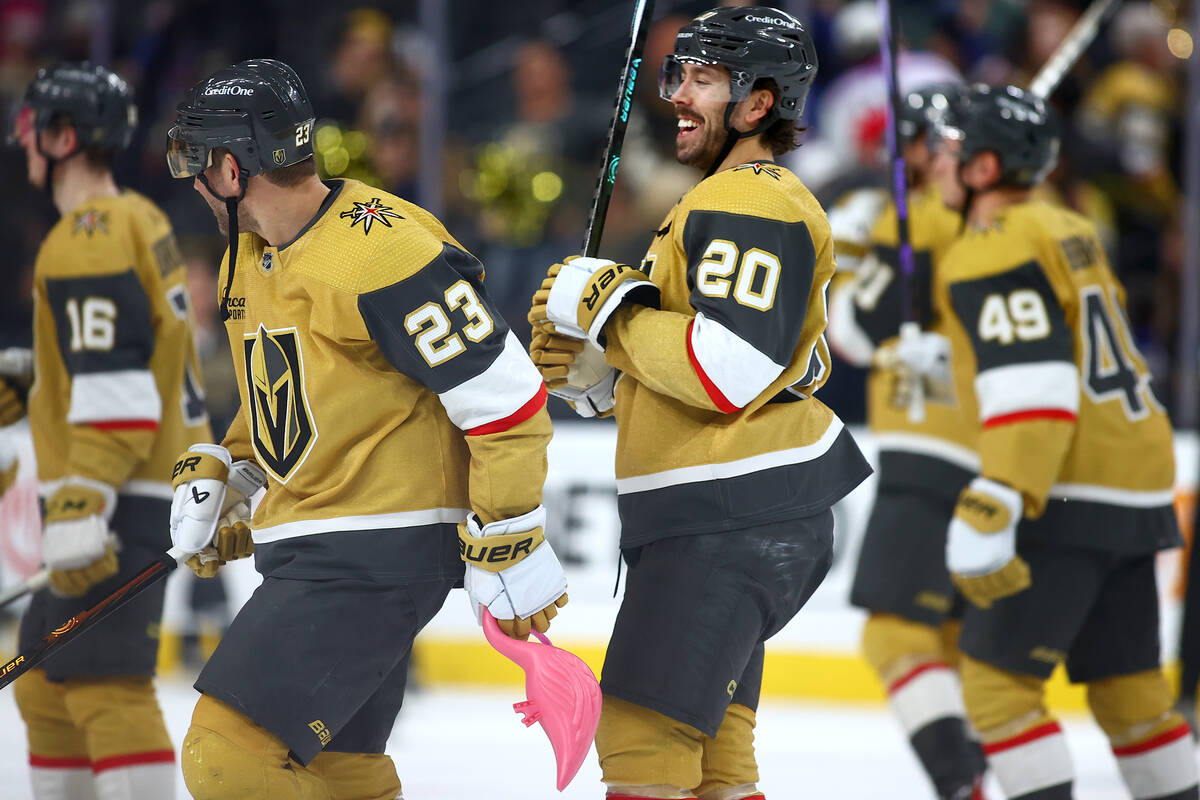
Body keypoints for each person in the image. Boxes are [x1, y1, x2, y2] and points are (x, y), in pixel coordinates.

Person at [165, 58, 566, 799]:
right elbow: (288, 398)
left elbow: (504, 396)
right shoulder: (248, 255)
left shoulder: (383, 249)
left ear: (231, 167)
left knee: (224, 758)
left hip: (370, 555)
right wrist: (233, 472)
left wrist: (510, 531)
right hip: (323, 546)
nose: (190, 180)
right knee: (342, 775)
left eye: (195, 160)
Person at [528, 9, 871, 799]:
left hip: (729, 514)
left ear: (758, 104)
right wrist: (600, 375)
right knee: (717, 761)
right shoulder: (724, 199)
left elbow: (730, 369)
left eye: (704, 79)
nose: (679, 95)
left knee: (641, 743)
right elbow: (710, 371)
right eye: (677, 75)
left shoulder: (749, 199)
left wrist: (612, 314)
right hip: (737, 509)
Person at [927, 84, 1198, 800]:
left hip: (1066, 489)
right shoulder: (1066, 224)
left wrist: (999, 496)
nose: (934, 163)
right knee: (1133, 698)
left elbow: (1034, 384)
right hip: (1137, 480)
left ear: (985, 168)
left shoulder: (993, 246)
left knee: (997, 690)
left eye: (949, 149)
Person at [7, 62, 212, 800]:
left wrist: (82, 497)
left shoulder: (85, 236)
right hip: (146, 482)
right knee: (45, 680)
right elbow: (135, 351)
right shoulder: (137, 217)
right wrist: (39, 376)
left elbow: (118, 388)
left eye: (31, 126)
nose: (20, 139)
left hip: (119, 491)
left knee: (105, 685)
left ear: (63, 137)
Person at [826, 84, 989, 800]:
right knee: (951, 644)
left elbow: (853, 332)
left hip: (930, 448)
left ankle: (963, 784)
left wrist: (852, 251)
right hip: (999, 450)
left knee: (892, 636)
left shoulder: (912, 217)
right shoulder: (1007, 219)